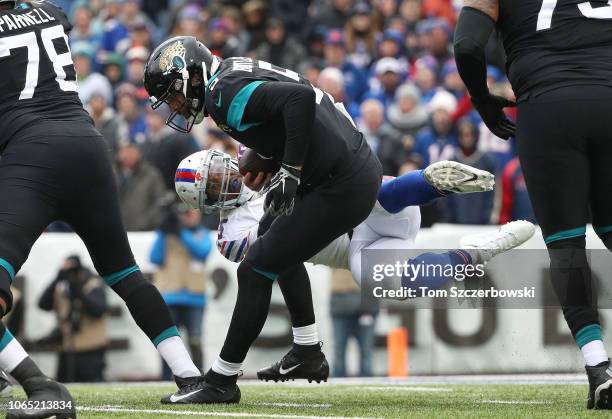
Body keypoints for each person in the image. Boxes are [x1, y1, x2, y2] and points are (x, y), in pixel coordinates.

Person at [144, 35, 383, 404]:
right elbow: (299, 96)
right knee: (272, 240)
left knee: (254, 269)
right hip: (348, 166)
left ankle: (221, 380)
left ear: (191, 75)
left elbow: (299, 99)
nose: (176, 106)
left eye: (174, 95)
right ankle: (307, 350)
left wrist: (288, 169)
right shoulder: (230, 73)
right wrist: (267, 155)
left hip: (340, 181)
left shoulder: (220, 95)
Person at [0, 3, 204, 417]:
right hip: (89, 146)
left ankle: (42, 387)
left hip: (33, 154)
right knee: (125, 273)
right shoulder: (50, 13)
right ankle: (190, 376)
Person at [174, 149, 535, 382]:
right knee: (383, 282)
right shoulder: (230, 236)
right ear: (205, 201)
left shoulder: (253, 153)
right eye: (216, 183)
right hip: (361, 246)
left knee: (371, 194)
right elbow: (277, 249)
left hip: (368, 204)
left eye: (221, 169)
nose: (230, 176)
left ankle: (430, 183)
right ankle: (474, 252)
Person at [453, 0, 612, 409]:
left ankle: (599, 368)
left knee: (567, 246)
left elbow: (468, 45)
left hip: (548, 107)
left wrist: (482, 100)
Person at [150, 205, 212, 380]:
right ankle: (165, 378)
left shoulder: (202, 234)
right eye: (183, 214)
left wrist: (181, 232)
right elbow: (155, 258)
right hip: (170, 297)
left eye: (190, 213)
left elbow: (203, 251)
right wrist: (163, 232)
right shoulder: (167, 234)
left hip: (195, 299)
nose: (187, 217)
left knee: (195, 341)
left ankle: (199, 377)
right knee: (167, 342)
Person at [38, 256, 109, 383]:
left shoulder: (93, 285)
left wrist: (79, 293)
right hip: (67, 349)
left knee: (92, 390)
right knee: (64, 390)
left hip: (91, 351)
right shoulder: (61, 288)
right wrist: (56, 280)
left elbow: (98, 310)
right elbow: (43, 304)